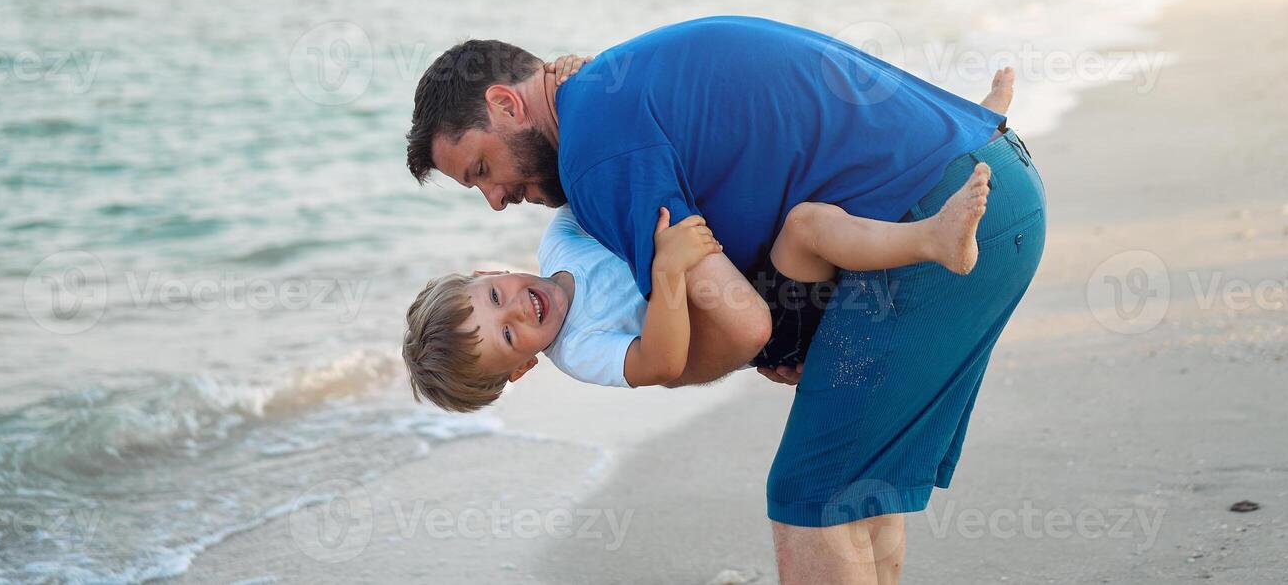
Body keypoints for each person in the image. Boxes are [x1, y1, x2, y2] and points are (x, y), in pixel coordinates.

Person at [406, 17, 1046, 584]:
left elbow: (743, 323)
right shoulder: (609, 87)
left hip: (945, 211)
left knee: (811, 500)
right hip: (991, 166)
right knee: (858, 491)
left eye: (481, 170)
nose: (494, 200)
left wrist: (756, 347)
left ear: (504, 103)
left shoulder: (594, 160)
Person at [401, 68, 1014, 404]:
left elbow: (590, 171)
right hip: (764, 314)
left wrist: (567, 81)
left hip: (747, 275)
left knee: (825, 185)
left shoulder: (560, 243)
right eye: (509, 336)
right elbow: (661, 362)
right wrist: (666, 279)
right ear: (523, 369)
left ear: (487, 274)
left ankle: (964, 117)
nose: (516, 308)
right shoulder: (580, 350)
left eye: (493, 299)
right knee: (807, 225)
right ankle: (934, 239)